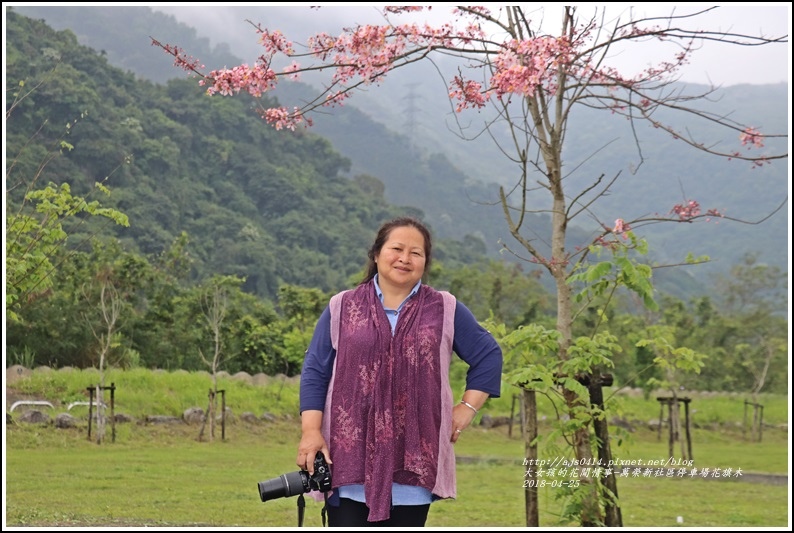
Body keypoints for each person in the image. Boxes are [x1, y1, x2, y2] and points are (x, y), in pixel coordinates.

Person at [297, 216, 503, 527]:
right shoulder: (342, 306)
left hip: (414, 462)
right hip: (348, 459)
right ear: (377, 254)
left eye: (416, 253)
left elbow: (488, 354)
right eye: (396, 248)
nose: (405, 259)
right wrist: (311, 432)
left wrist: (466, 409)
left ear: (425, 262)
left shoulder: (444, 308)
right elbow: (316, 369)